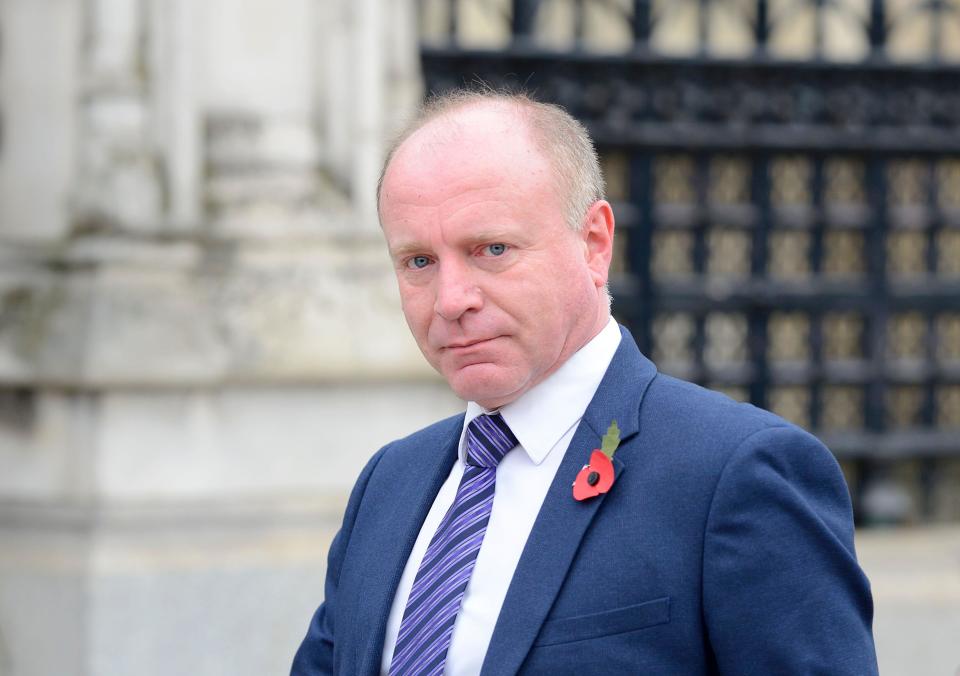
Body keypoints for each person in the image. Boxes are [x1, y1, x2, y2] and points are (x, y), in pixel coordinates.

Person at [291, 89, 878, 675]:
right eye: (419, 262)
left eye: (492, 249)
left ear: (594, 244)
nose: (450, 301)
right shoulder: (389, 483)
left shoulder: (736, 475)